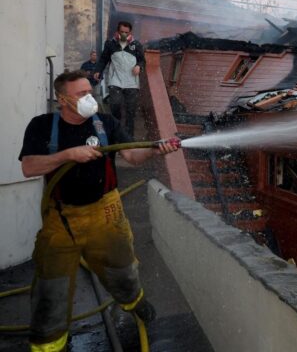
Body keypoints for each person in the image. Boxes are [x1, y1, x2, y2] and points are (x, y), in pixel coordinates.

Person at [19, 70, 178, 352]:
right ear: (63, 99)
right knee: (50, 288)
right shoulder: (42, 126)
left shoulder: (105, 123)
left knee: (122, 269)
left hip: (107, 212)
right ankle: (50, 345)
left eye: (90, 92)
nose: (89, 98)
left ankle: (133, 301)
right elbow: (29, 167)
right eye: (81, 94)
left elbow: (132, 155)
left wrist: (155, 149)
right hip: (62, 219)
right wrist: (68, 155)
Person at [94, 21, 145, 138]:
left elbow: (142, 60)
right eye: (122, 32)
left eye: (126, 32)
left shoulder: (136, 44)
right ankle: (116, 133)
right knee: (115, 105)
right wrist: (98, 71)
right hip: (115, 80)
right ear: (117, 32)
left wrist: (139, 66)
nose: (124, 34)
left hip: (132, 82)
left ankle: (129, 137)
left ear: (130, 32)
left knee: (131, 111)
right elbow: (103, 59)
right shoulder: (110, 44)